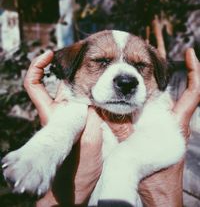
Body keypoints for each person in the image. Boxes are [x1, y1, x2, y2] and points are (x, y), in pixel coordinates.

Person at [23, 48, 200, 207]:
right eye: (102, 61)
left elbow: (170, 144)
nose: (125, 78)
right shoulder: (76, 104)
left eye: (140, 65)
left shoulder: (152, 107)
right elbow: (72, 116)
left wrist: (123, 163)